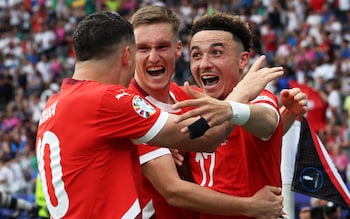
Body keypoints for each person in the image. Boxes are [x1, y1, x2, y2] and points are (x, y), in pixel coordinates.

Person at [35, 11, 282, 219]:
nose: (153, 57)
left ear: (177, 50)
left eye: (162, 47)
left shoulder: (55, 104)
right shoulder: (114, 102)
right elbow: (204, 143)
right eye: (142, 49)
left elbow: (256, 131)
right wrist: (241, 94)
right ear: (127, 55)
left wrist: (285, 117)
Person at [129, 6, 306, 219]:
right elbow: (173, 190)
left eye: (216, 53)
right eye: (143, 48)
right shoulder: (133, 108)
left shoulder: (193, 99)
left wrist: (281, 117)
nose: (205, 63)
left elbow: (267, 122)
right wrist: (250, 206)